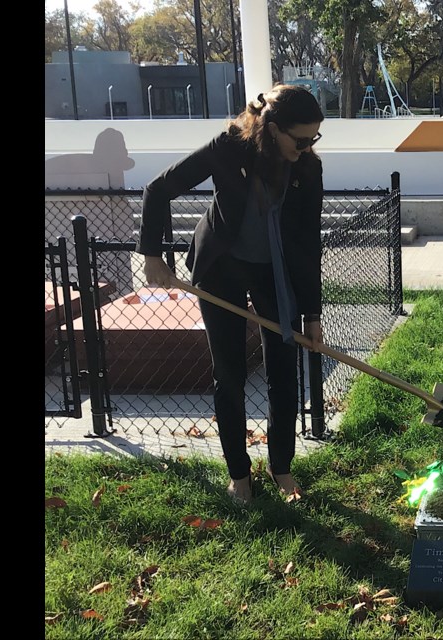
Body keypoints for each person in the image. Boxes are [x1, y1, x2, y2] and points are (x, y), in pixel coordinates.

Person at [136, 84, 326, 505]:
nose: (308, 147)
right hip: (222, 270)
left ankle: (281, 468)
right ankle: (239, 474)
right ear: (273, 129)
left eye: (314, 138)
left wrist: (311, 314)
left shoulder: (307, 169)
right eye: (301, 139)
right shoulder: (230, 147)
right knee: (230, 374)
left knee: (282, 370)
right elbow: (158, 189)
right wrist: (151, 255)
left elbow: (309, 243)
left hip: (273, 272)